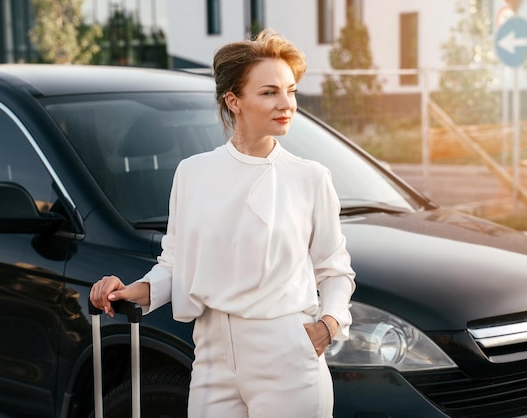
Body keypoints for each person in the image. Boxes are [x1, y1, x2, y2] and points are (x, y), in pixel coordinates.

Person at [90, 28, 356, 418]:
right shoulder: (193, 173)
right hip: (211, 353)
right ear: (234, 101)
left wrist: (328, 326)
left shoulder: (310, 178)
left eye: (291, 90)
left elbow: (335, 271)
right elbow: (175, 264)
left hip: (286, 352)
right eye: (269, 92)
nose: (286, 103)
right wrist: (131, 292)